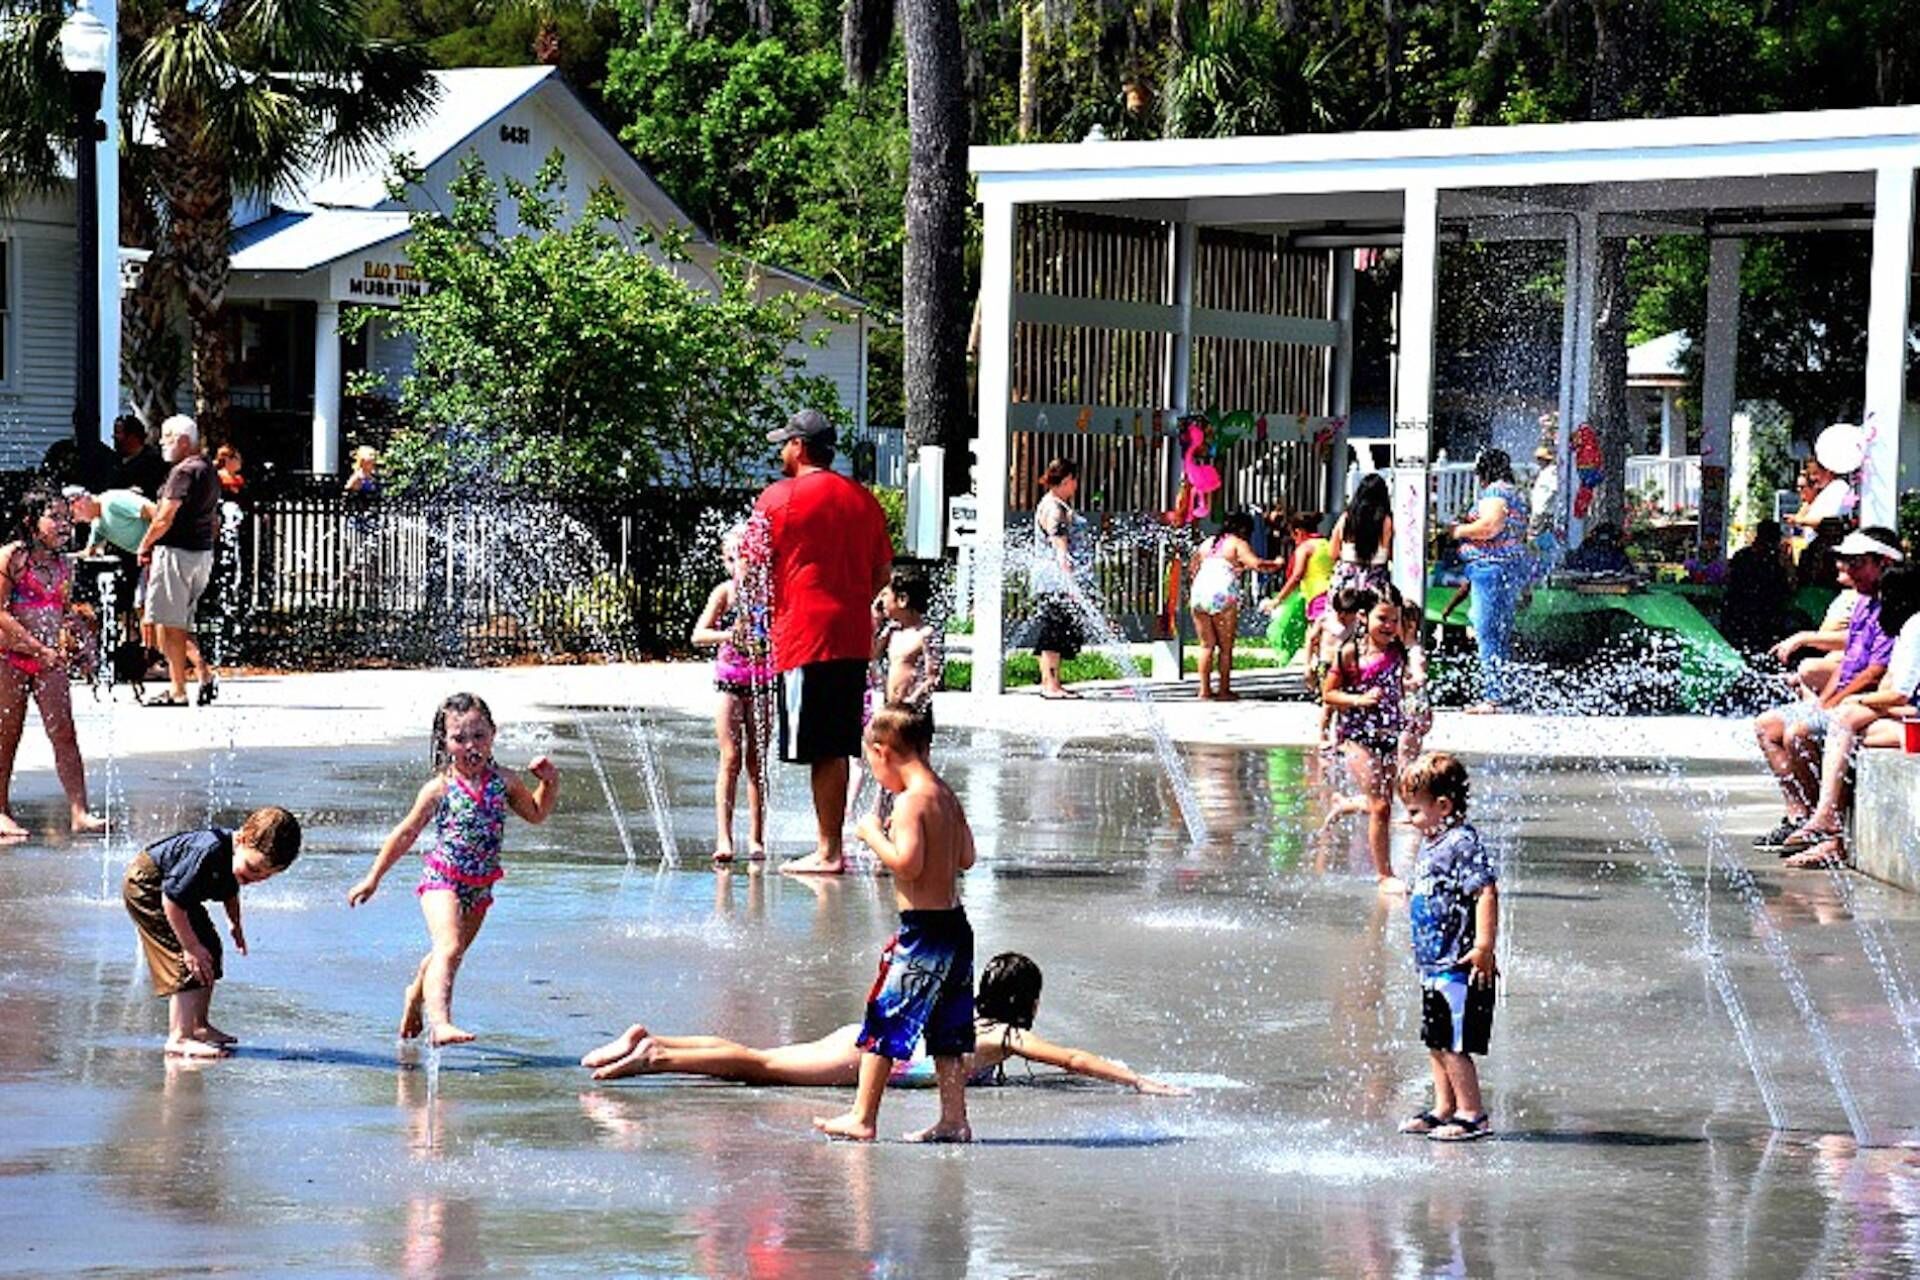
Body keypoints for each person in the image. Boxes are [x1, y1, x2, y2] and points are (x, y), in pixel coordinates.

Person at [580, 951, 1190, 1096]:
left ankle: (653, 1039)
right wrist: (1139, 1081)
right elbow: (1076, 1059)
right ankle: (654, 1057)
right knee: (757, 1067)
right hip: (869, 1059)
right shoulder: (1005, 1037)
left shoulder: (971, 1019)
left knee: (758, 1055)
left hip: (863, 1043)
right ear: (1025, 1004)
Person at [347, 693, 559, 1045]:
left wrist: (549, 783)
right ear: (444, 743)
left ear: (493, 733)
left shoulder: (504, 782)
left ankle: (414, 996)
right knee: (447, 946)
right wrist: (373, 878)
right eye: (459, 739)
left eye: (478, 736)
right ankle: (441, 1022)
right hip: (442, 880)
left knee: (451, 953)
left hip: (481, 885)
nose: (470, 746)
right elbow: (406, 833)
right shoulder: (440, 787)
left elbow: (536, 814)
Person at [814, 704, 976, 1142]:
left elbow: (907, 865)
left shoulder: (909, 802)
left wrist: (872, 835)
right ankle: (954, 1118)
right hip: (955, 929)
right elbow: (967, 858)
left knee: (886, 1017)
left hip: (921, 935)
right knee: (949, 1029)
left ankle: (862, 1117)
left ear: (883, 750)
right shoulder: (945, 794)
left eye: (872, 762)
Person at [750, 409, 893, 875]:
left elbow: (751, 567)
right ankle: (832, 845)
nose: (780, 452)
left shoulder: (779, 498)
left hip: (804, 636)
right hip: (851, 636)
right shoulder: (862, 499)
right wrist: (848, 602)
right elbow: (881, 575)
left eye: (784, 443)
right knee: (835, 744)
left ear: (799, 446)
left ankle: (829, 851)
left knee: (822, 749)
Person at [1752, 528, 1902, 852]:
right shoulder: (1862, 602)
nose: (1846, 569)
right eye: (1845, 561)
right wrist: (1825, 700)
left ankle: (1825, 824)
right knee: (1766, 725)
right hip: (1846, 699)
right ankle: (1798, 815)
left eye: (1856, 563)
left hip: (1869, 705)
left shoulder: (1895, 606)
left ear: (1884, 563)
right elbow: (1850, 661)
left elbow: (1875, 671)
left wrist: (1834, 703)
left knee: (1798, 734)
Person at [121, 805, 302, 1057]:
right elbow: (171, 900)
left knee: (209, 949)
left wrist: (235, 924)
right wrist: (189, 946)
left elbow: (230, 890)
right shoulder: (208, 852)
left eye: (266, 875)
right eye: (253, 868)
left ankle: (199, 1025)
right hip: (148, 887)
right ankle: (179, 1037)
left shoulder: (236, 857)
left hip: (174, 894)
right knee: (187, 960)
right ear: (240, 839)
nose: (256, 877)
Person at [1772, 566, 1920, 868]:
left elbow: (1899, 695)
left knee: (1844, 723)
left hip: (1912, 721)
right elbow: (1893, 685)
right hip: (1907, 717)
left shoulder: (1915, 627)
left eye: (1885, 596)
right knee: (1846, 730)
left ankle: (1829, 826)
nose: (1880, 603)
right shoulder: (1907, 628)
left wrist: (1857, 699)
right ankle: (1830, 830)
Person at [1396, 753, 1499, 1143]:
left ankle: (1472, 1113)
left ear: (1443, 806)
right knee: (1435, 1039)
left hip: (1459, 963)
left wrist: (1485, 944)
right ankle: (1444, 1107)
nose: (1410, 820)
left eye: (1415, 811)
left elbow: (1485, 890)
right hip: (1433, 962)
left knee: (1455, 1042)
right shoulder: (1434, 841)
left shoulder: (1461, 842)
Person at [0, 488, 106, 837]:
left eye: (67, 517)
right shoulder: (12, 558)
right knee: (6, 733)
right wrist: (34, 647)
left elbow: (60, 612)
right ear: (31, 522)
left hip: (48, 660)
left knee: (64, 731)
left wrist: (85, 642)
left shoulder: (64, 565)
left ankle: (80, 811)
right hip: (9, 657)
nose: (65, 525)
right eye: (55, 517)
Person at [690, 525, 773, 865]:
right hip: (730, 680)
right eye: (739, 558)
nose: (746, 564)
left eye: (752, 557)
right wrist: (728, 636)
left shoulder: (771, 594)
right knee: (730, 758)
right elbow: (699, 634)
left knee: (758, 763)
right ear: (727, 561)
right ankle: (724, 836)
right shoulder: (725, 593)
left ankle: (756, 837)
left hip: (764, 682)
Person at [1321, 586, 1410, 893]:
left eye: (1394, 620)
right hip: (1357, 737)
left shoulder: (1398, 651)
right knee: (1381, 806)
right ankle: (1385, 875)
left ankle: (1345, 805)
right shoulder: (1350, 653)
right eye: (1382, 618)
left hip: (1389, 735)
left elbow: (1403, 683)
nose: (1389, 626)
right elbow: (1328, 694)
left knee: (1384, 803)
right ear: (1363, 617)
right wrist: (1360, 700)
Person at [134, 416, 220, 708]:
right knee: (180, 622)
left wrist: (144, 544)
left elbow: (165, 515)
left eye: (167, 437)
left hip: (176, 553)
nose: (161, 442)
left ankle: (178, 690)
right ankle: (203, 676)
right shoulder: (207, 468)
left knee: (169, 625)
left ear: (184, 440)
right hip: (201, 553)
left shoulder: (183, 472)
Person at [1449, 449, 1531, 712]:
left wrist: (1458, 530)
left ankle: (1492, 697)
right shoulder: (1515, 493)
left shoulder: (1495, 493)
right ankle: (1502, 691)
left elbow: (1490, 527)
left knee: (1486, 632)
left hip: (1489, 568)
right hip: (1507, 568)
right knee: (1500, 632)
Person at [1187, 511, 1281, 701]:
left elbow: (1193, 568)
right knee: (1225, 647)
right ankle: (1224, 691)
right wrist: (1277, 564)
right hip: (1222, 595)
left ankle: (1204, 691)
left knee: (1206, 646)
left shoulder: (1208, 543)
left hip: (1199, 594)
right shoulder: (1238, 543)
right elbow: (1258, 565)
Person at [1019, 458, 1091, 700]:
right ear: (1067, 480)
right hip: (1055, 580)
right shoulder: (1054, 509)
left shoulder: (1054, 504)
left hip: (1051, 579)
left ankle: (1051, 681)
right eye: (1074, 480)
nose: (1077, 485)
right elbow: (1061, 549)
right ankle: (1050, 684)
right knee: (1053, 631)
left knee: (1057, 629)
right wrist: (1069, 582)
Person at [1260, 511, 1332, 668]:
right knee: (1329, 636)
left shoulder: (1305, 548)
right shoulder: (1327, 543)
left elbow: (1296, 576)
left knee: (1315, 638)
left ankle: (1317, 673)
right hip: (1333, 594)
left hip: (1318, 597)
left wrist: (1278, 599)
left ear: (1298, 532)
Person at [1720, 520, 1793, 655]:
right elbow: (1790, 584)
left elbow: (1727, 579)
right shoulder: (1775, 559)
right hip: (1760, 613)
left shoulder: (1743, 555)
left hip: (1745, 612)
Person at [1312, 586, 1368, 747]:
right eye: (1339, 613)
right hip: (1327, 665)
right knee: (1328, 704)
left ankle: (1342, 738)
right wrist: (1309, 663)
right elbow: (1311, 640)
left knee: (1344, 705)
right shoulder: (1325, 620)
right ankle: (1323, 736)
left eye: (1347, 614)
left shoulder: (1357, 624)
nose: (1342, 617)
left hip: (1345, 667)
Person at [1328, 472, 1393, 597]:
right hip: (1375, 577)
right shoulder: (1386, 521)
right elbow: (1391, 554)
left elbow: (1332, 552)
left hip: (1346, 576)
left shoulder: (1346, 518)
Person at [1786, 456, 1852, 542]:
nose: (1812, 478)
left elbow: (1828, 521)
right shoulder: (1822, 491)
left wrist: (1800, 521)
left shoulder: (1839, 488)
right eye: (1811, 474)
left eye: (1815, 473)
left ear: (1828, 472)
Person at [112, 415, 169, 498]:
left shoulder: (153, 462)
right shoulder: (113, 460)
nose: (114, 437)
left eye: (118, 432)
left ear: (132, 437)